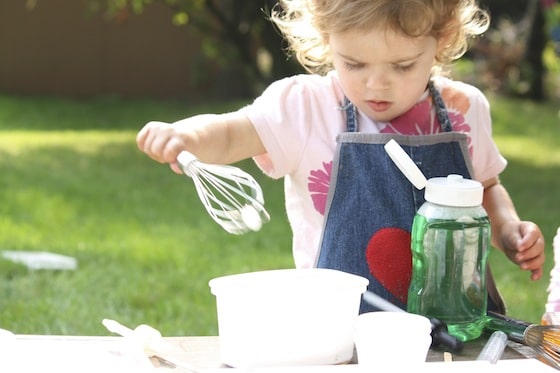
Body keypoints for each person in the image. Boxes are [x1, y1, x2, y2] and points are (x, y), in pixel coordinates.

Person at [136, 0, 545, 313]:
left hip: (459, 324)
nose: (376, 84)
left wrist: (508, 229)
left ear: (440, 41)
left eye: (403, 66)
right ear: (327, 38)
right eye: (354, 63)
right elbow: (231, 134)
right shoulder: (304, 108)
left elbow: (486, 188)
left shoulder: (462, 110)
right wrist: (185, 135)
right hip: (339, 326)